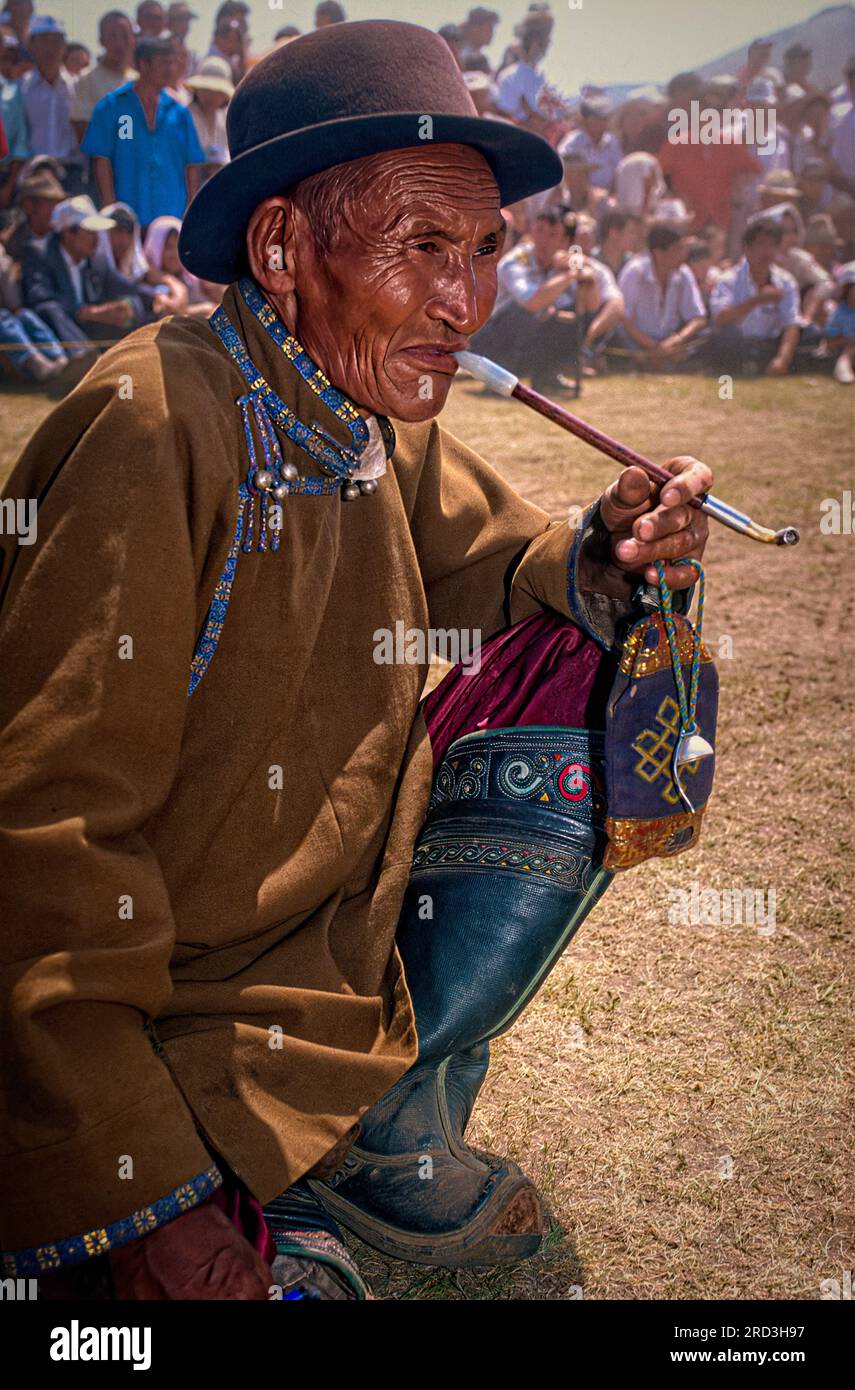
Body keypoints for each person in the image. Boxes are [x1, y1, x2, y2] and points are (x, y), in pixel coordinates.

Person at [0, 21, 712, 1302]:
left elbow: (509, 562)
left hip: (325, 961)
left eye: (484, 248)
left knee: (594, 645)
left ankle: (383, 1115)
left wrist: (617, 543)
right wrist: (141, 1193)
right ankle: (213, 1152)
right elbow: (46, 830)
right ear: (283, 249)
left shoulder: (368, 408)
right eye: (422, 245)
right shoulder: (156, 425)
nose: (467, 300)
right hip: (172, 1013)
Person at [470, 206, 603, 392]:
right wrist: (572, 274)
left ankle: (547, 375)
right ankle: (498, 378)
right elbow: (532, 302)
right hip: (493, 337)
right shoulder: (517, 260)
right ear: (531, 232)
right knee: (523, 312)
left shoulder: (564, 263)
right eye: (539, 231)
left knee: (580, 315)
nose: (544, 240)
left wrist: (589, 280)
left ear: (564, 240)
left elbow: (592, 306)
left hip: (532, 338)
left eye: (553, 234)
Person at [83, 35, 205, 227]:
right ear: (143, 64)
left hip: (170, 220)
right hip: (126, 218)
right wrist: (110, 208)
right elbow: (101, 159)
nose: (171, 69)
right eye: (164, 63)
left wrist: (190, 210)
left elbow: (192, 164)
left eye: (172, 63)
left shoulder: (179, 112)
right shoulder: (113, 106)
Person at [20, 193, 148, 356]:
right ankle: (83, 357)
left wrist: (127, 308)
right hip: (56, 340)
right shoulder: (39, 255)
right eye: (89, 231)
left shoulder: (93, 262)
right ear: (68, 233)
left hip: (89, 334)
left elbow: (127, 289)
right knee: (50, 309)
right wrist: (83, 312)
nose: (96, 238)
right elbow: (40, 298)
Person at [710, 215, 812, 375]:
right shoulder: (728, 280)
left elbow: (791, 323)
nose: (767, 251)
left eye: (772, 245)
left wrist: (782, 359)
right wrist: (757, 300)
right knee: (727, 335)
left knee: (811, 334)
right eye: (761, 244)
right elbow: (720, 319)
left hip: (770, 345)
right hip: (740, 344)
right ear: (746, 248)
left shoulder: (786, 282)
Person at [616, 221, 708, 369]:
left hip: (672, 340)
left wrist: (674, 341)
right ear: (659, 253)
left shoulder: (683, 273)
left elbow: (698, 319)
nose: (683, 254)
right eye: (677, 249)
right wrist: (653, 347)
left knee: (707, 336)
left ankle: (663, 359)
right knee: (618, 336)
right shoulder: (634, 272)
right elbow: (622, 318)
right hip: (638, 340)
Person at [20, 16, 83, 192]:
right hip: (32, 173)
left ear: (64, 46)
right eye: (44, 41)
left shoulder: (77, 87)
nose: (50, 48)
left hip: (71, 174)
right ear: (31, 46)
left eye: (56, 41)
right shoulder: (21, 88)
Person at [70, 10, 137, 145]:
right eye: (113, 36)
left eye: (125, 36)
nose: (119, 43)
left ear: (133, 40)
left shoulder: (139, 81)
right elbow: (82, 130)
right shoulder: (87, 79)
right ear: (102, 41)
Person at [185, 54, 231, 183]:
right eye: (206, 90)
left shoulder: (225, 119)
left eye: (217, 91)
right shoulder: (185, 116)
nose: (211, 96)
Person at [3, 165, 65, 260]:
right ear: (28, 205)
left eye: (59, 203)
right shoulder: (10, 242)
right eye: (50, 202)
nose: (57, 209)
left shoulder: (68, 239)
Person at [561, 96, 622, 191]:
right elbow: (568, 177)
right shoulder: (571, 144)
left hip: (609, 195)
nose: (604, 122)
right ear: (585, 120)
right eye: (599, 117)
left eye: (605, 118)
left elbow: (619, 171)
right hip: (579, 195)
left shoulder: (612, 141)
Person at [0, 32, 30, 208]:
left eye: (10, 59)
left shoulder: (14, 93)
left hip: (5, 178)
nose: (6, 65)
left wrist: (9, 186)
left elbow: (20, 143)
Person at [823, 267, 855, 381]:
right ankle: (843, 366)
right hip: (841, 351)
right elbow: (830, 343)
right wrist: (849, 340)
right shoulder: (838, 314)